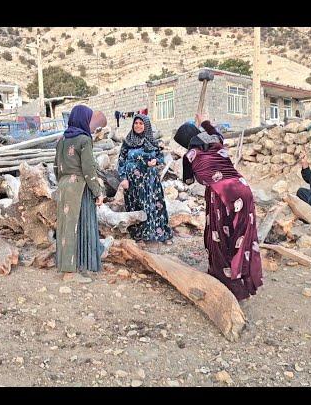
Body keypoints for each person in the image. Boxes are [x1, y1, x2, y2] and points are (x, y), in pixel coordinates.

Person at [173, 117, 262, 301]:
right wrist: (204, 122)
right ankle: (245, 281)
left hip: (222, 196)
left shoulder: (189, 155)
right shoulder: (216, 141)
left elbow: (188, 181)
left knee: (221, 239)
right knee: (243, 237)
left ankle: (228, 285)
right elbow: (216, 132)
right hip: (243, 189)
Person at [54, 105, 107, 277]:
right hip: (79, 188)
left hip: (63, 186)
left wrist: (62, 183)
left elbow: (56, 166)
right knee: (79, 225)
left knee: (66, 226)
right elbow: (89, 169)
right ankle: (73, 271)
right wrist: (98, 192)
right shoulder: (84, 139)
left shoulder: (62, 139)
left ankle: (66, 264)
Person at [117, 114, 173, 244]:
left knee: (154, 205)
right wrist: (123, 178)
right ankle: (139, 236)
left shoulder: (152, 142)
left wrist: (156, 161)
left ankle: (159, 234)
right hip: (133, 182)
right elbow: (121, 161)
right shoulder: (128, 142)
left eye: (141, 123)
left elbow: (161, 158)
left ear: (146, 125)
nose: (138, 125)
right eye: (136, 123)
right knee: (136, 206)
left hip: (150, 181)